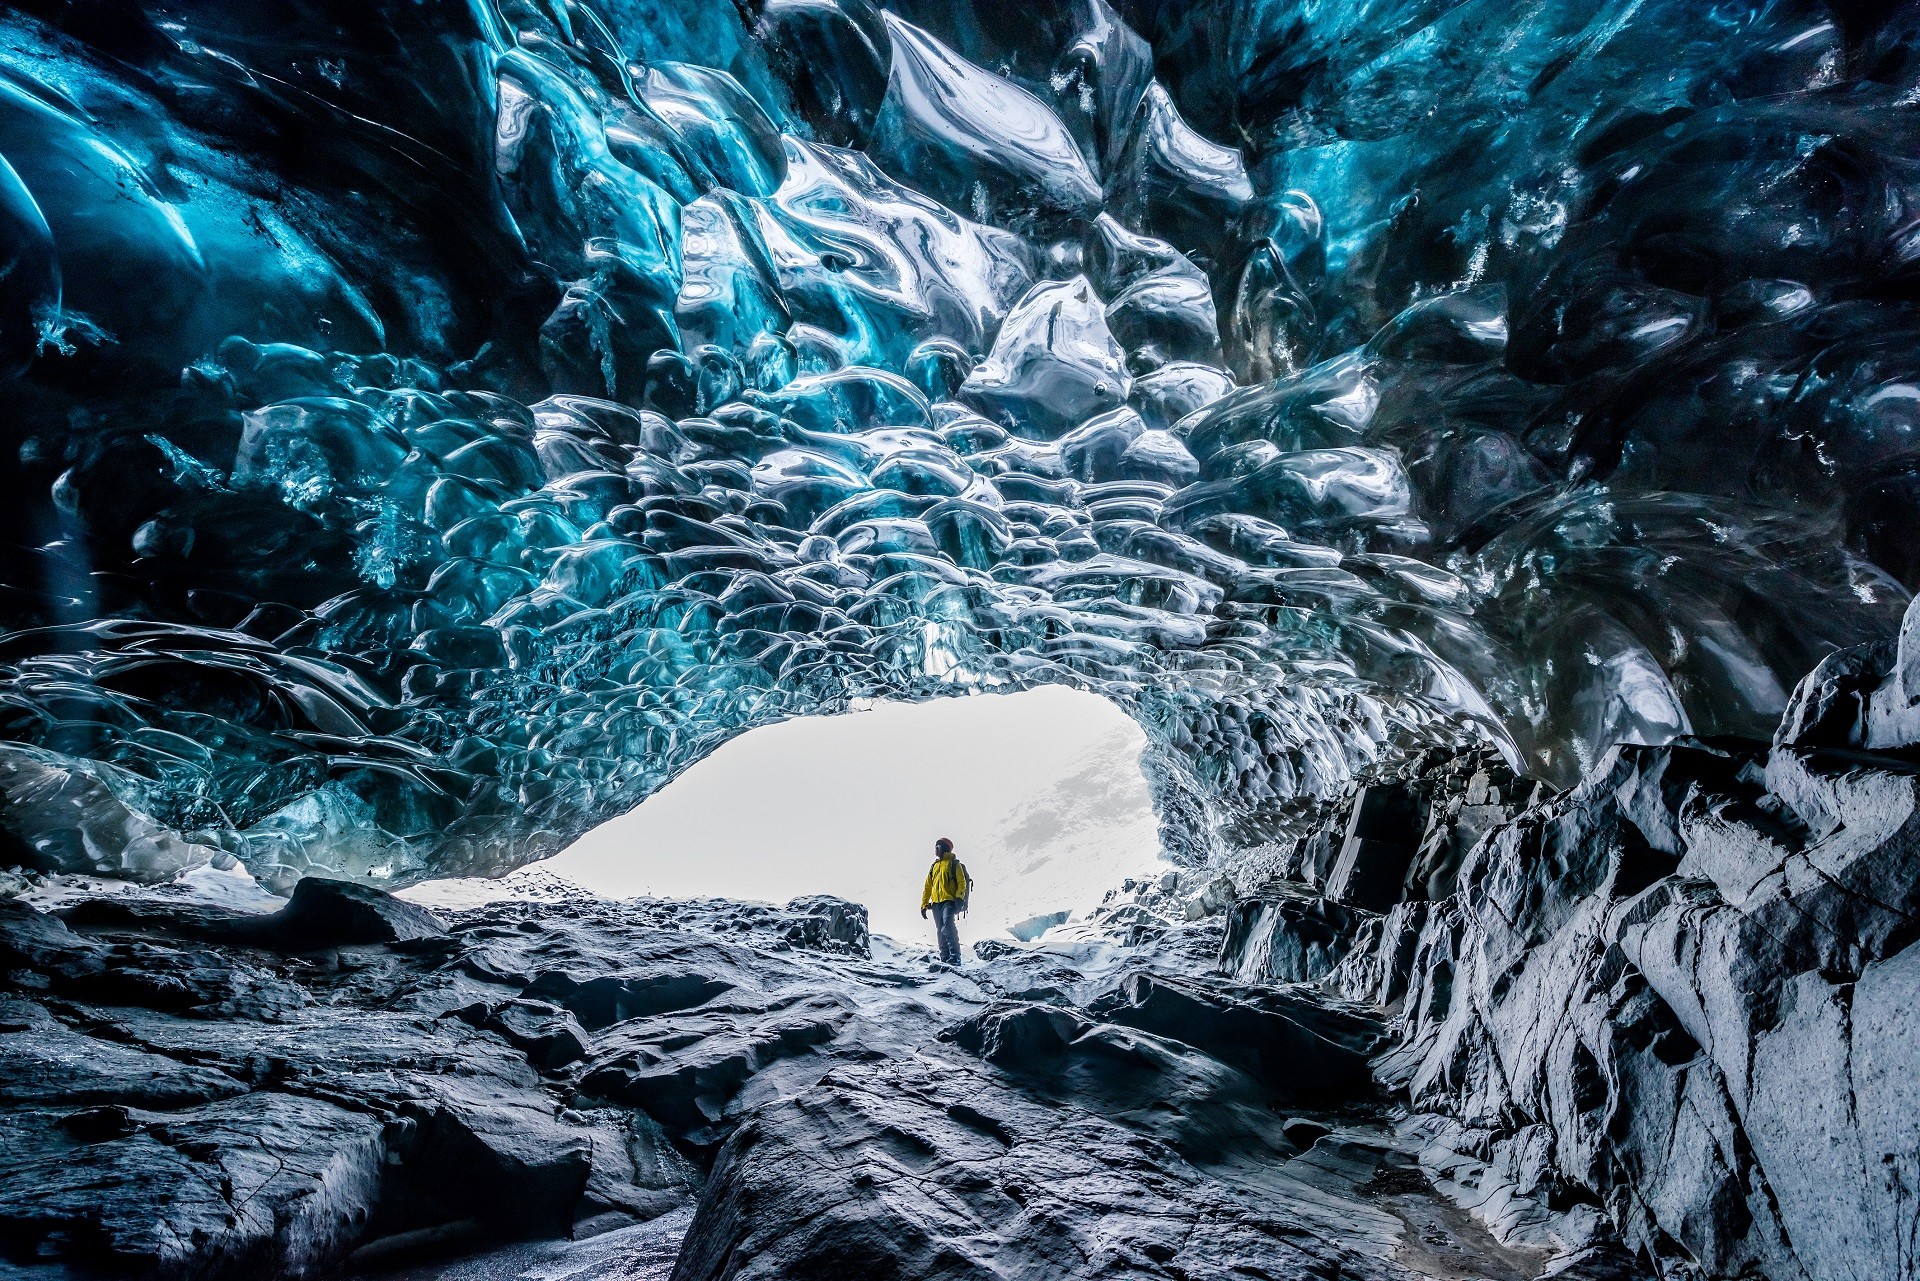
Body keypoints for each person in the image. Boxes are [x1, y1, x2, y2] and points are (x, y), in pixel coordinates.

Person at [919, 836, 971, 966]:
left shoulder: (954, 864)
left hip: (949, 901)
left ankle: (955, 956)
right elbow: (928, 886)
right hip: (936, 903)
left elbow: (961, 882)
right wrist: (924, 905)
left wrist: (959, 898)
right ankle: (945, 957)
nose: (935, 850)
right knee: (940, 929)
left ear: (943, 848)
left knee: (948, 925)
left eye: (937, 847)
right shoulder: (934, 866)